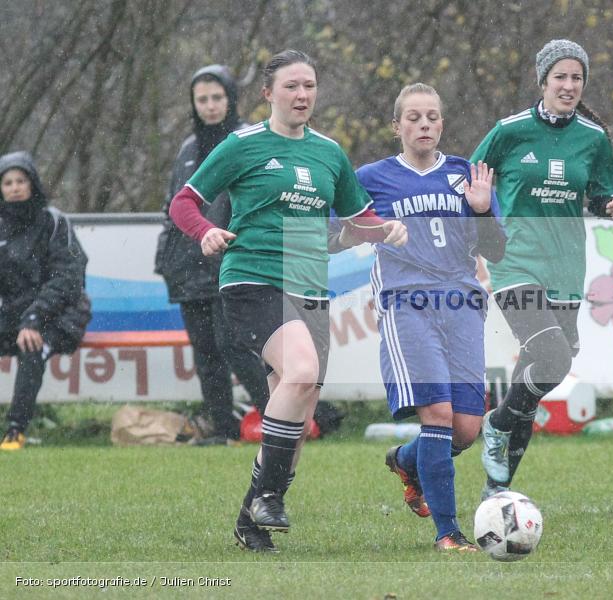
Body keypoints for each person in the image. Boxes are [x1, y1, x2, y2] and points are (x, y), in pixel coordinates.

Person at [168, 49, 407, 553]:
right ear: (268, 93)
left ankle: (248, 521)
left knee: (297, 415)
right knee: (299, 373)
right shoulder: (243, 145)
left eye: (310, 86)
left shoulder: (328, 153)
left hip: (310, 287)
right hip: (252, 280)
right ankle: (271, 496)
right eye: (292, 86)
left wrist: (385, 229)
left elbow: (356, 219)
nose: (302, 95)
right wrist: (206, 231)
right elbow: (183, 203)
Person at [348, 83, 506, 551]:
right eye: (413, 118)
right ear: (396, 126)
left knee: (466, 428)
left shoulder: (466, 175)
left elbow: (495, 248)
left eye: (432, 117)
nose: (424, 125)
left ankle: (405, 461)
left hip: (460, 305)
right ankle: (448, 533)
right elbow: (336, 230)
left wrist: (481, 211)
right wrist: (372, 227)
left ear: (441, 124)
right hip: (406, 305)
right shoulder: (371, 177)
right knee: (436, 413)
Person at [472, 39, 613, 499]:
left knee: (549, 370)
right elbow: (471, 182)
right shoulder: (510, 130)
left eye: (576, 77)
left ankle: (497, 487)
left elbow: (602, 192)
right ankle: (497, 424)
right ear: (543, 81)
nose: (569, 85)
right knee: (551, 357)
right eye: (560, 76)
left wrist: (611, 206)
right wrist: (481, 220)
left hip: (566, 267)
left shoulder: (593, 139)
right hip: (515, 263)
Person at [154, 64, 271, 444]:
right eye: (201, 99)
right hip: (188, 266)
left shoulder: (248, 140)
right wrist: (167, 257)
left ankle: (279, 420)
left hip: (232, 261)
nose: (210, 106)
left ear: (231, 98)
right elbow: (173, 205)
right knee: (205, 354)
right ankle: (222, 429)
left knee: (236, 347)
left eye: (217, 97)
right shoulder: (188, 148)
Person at [0, 151, 91, 451]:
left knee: (31, 348)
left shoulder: (53, 222)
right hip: (16, 316)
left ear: (32, 184)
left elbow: (67, 279)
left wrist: (35, 317)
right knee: (26, 337)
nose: (14, 187)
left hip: (61, 315)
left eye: (20, 181)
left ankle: (16, 430)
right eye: (8, 182)